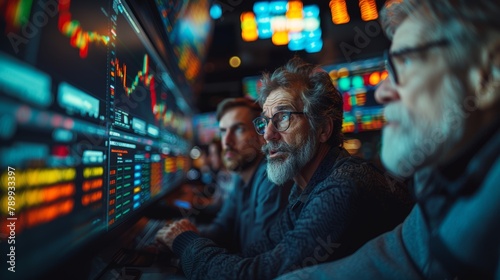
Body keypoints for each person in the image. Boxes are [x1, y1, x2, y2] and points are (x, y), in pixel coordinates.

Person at [277, 1, 500, 279]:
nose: (381, 92)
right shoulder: (444, 182)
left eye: (404, 61)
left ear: (487, 75)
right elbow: (395, 257)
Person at [155, 57, 414, 279]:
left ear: (323, 129)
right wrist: (176, 250)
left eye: (283, 117)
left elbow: (261, 275)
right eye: (266, 122)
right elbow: (254, 253)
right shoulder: (302, 190)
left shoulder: (343, 187)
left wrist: (185, 242)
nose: (267, 135)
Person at [162, 98, 291, 254]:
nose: (227, 141)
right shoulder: (239, 177)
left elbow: (256, 256)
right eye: (223, 131)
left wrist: (184, 241)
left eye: (238, 129)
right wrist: (176, 237)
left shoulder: (272, 178)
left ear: (261, 135)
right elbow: (221, 230)